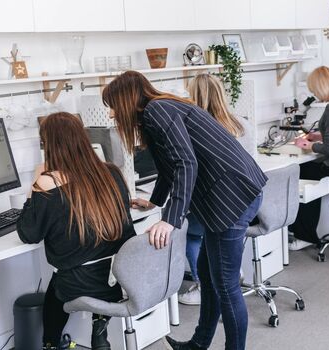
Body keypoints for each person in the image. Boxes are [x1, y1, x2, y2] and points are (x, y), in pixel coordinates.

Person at [102, 71, 267, 350]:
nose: (112, 115)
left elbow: (185, 163)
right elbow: (171, 166)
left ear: (126, 100)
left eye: (113, 106)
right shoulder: (160, 109)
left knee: (225, 285)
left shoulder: (158, 110)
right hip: (229, 196)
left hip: (231, 197)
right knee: (208, 272)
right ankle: (199, 343)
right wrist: (156, 202)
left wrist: (170, 220)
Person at [17, 113, 135, 350]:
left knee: (58, 282)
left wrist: (34, 184)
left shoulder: (47, 182)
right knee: (80, 263)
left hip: (79, 282)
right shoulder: (111, 172)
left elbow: (28, 234)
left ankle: (50, 343)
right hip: (120, 275)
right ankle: (99, 322)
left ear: (49, 146)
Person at [179, 73, 249, 306]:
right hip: (244, 198)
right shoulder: (237, 122)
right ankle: (231, 270)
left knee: (190, 231)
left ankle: (202, 283)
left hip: (219, 202)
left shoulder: (197, 129)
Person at [290, 66, 329, 248]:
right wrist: (317, 136)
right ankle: (302, 230)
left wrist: (308, 145)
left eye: (314, 89)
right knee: (307, 170)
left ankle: (304, 235)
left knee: (300, 173)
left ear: (321, 87)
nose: (313, 93)